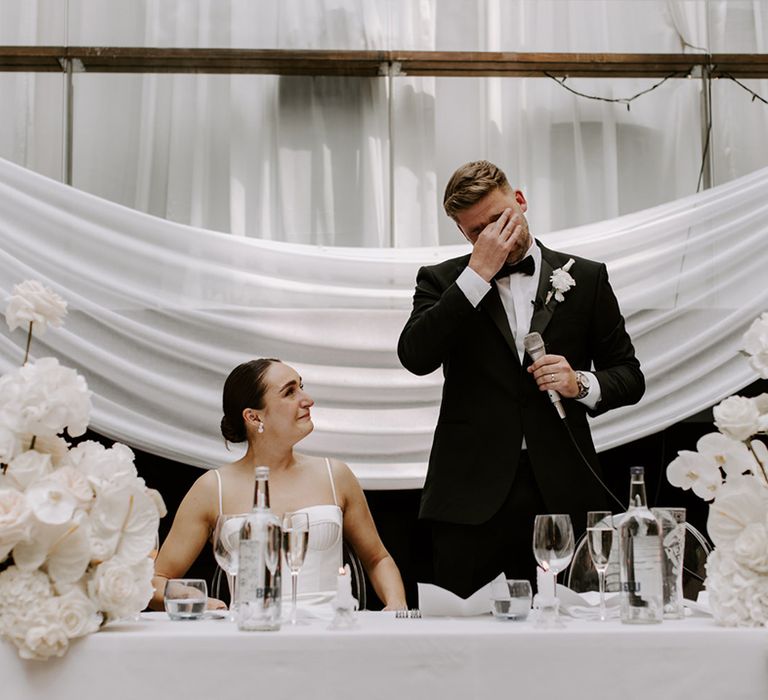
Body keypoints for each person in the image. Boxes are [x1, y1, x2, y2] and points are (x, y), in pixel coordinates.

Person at [397, 160, 645, 599]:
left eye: (499, 219)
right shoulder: (441, 281)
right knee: (467, 644)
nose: (494, 235)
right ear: (462, 233)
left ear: (520, 200)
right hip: (469, 499)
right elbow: (415, 356)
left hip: (563, 491)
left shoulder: (586, 278)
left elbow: (629, 375)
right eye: (477, 231)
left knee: (574, 634)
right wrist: (477, 275)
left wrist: (579, 384)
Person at [150, 358, 407, 611]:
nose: (307, 399)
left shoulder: (335, 475)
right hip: (252, 635)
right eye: (290, 392)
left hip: (331, 637)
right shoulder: (212, 488)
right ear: (253, 417)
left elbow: (377, 559)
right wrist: (199, 601)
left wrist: (396, 603)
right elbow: (156, 581)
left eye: (301, 387)